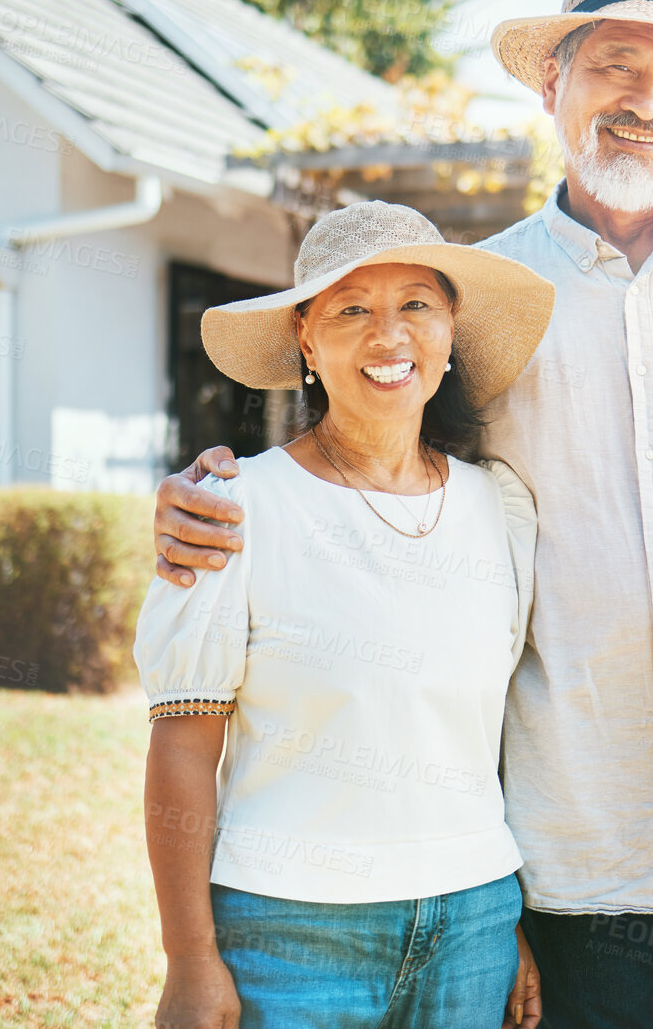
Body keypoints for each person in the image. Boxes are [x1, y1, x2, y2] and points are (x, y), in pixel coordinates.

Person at [154, 0, 653, 1029]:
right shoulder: (487, 304)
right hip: (581, 791)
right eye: (616, 67)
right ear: (552, 86)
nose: (645, 103)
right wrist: (217, 492)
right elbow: (385, 460)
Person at [134, 199, 558, 1028]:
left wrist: (512, 925)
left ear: (450, 334)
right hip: (291, 932)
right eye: (351, 310)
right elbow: (182, 745)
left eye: (416, 306)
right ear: (306, 342)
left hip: (473, 926)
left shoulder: (499, 507)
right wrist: (190, 961)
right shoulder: (232, 507)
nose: (388, 335)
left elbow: (492, 736)